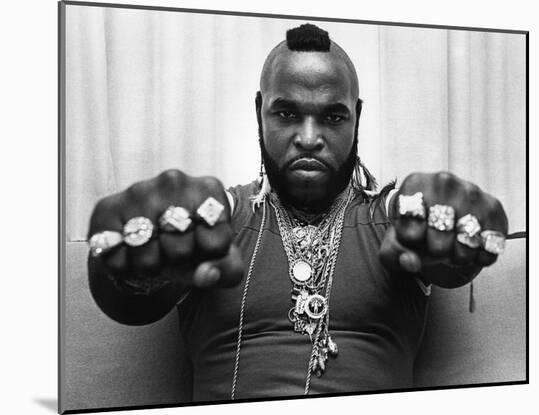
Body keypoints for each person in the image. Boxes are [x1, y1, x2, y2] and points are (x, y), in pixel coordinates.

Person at [87, 24, 508, 402]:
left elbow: (449, 263)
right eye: (287, 113)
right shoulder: (216, 221)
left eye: (332, 116)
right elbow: (126, 302)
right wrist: (130, 262)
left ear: (356, 118)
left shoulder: (396, 220)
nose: (309, 138)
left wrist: (459, 222)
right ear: (259, 112)